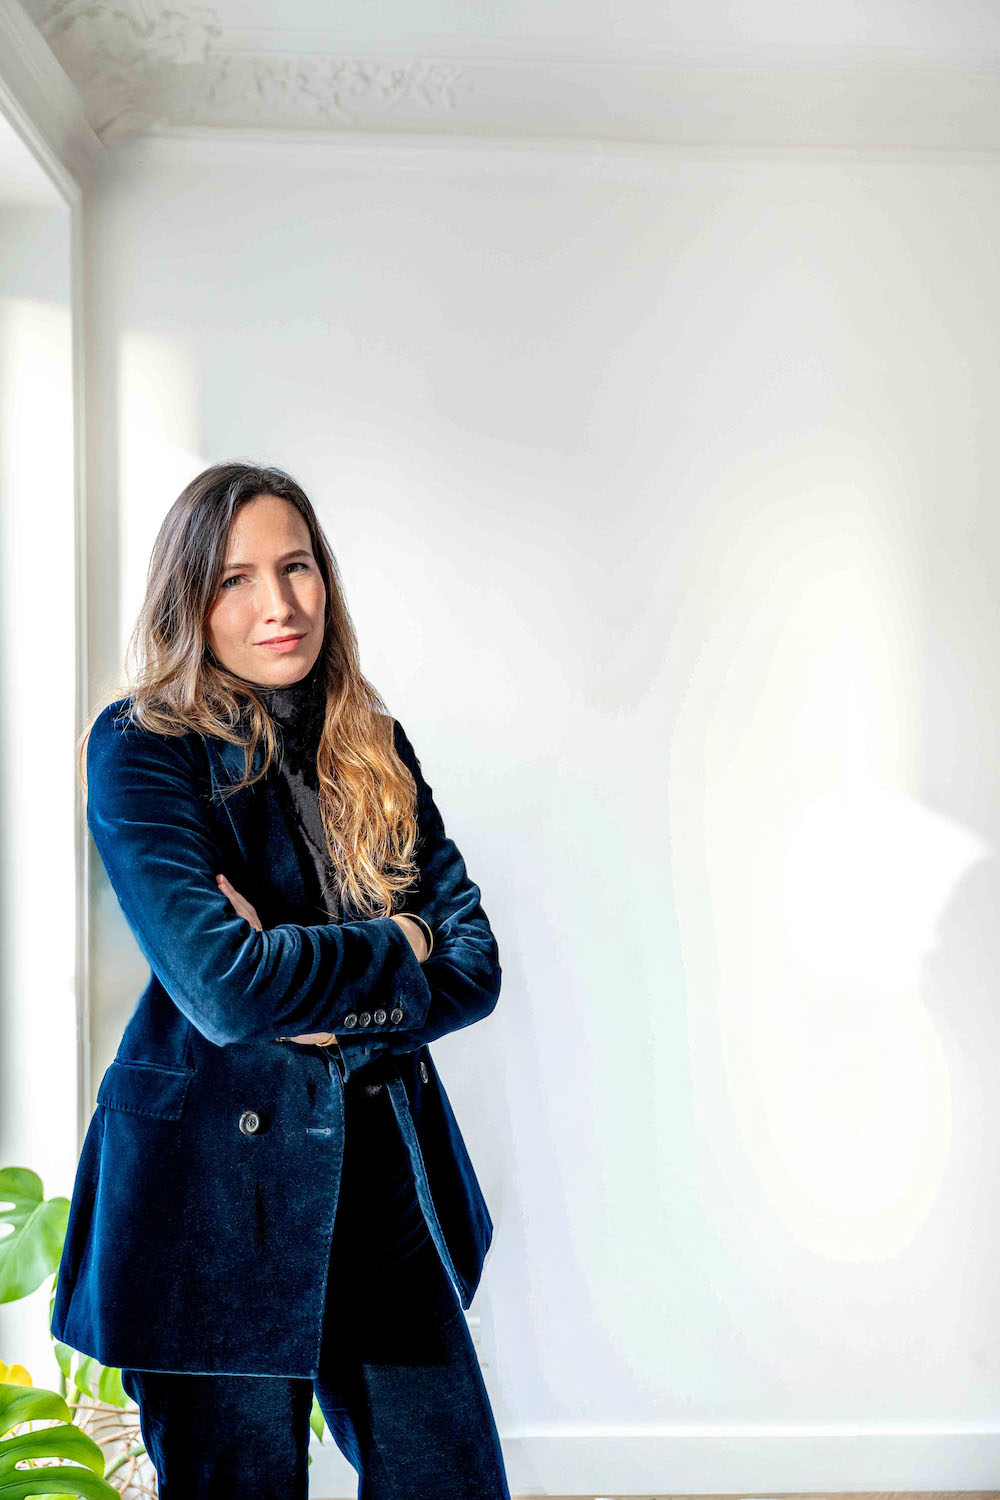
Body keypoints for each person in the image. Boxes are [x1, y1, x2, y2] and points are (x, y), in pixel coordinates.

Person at [50, 461, 510, 1499]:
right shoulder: (140, 747)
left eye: (297, 567)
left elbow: (475, 966)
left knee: (452, 1481)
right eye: (237, 579)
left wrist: (321, 986)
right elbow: (228, 989)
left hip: (381, 1173)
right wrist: (402, 939)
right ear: (190, 600)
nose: (280, 604)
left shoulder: (373, 743)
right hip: (209, 1194)